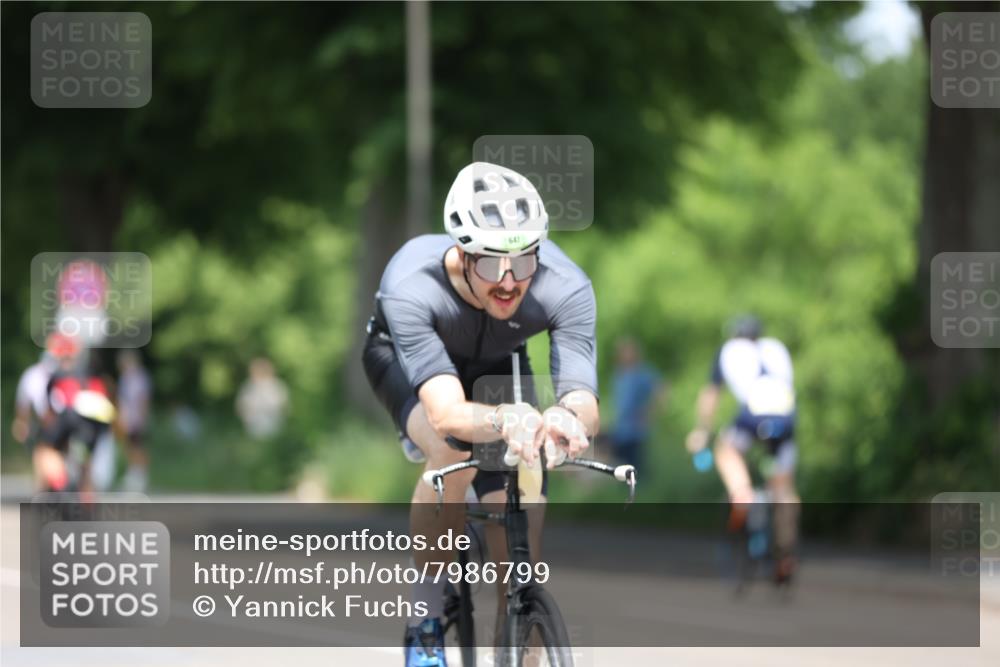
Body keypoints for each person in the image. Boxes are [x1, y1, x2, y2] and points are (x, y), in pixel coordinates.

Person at [362, 162, 598, 667]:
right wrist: (505, 420)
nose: (509, 282)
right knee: (453, 451)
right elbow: (447, 413)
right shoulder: (412, 285)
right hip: (405, 362)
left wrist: (568, 417)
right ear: (462, 253)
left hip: (498, 363)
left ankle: (513, 640)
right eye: (491, 265)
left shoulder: (566, 286)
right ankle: (426, 619)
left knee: (520, 536)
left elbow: (582, 395)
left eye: (524, 261)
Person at [685, 315, 800, 583]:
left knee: (725, 450)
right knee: (784, 489)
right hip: (785, 420)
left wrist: (701, 431)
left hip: (751, 419)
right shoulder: (776, 348)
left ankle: (742, 493)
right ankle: (786, 554)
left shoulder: (729, 349)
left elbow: (711, 395)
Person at [33, 335, 117, 494]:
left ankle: (61, 483)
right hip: (93, 428)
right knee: (85, 461)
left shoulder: (58, 374)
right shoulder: (95, 374)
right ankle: (86, 496)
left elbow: (50, 406)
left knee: (45, 449)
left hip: (69, 419)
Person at [609, 337, 665, 471]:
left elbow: (661, 390)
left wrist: (650, 411)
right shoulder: (619, 374)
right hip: (620, 429)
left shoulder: (643, 373)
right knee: (619, 465)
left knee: (636, 467)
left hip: (636, 429)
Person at [117, 350, 152, 492]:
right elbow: (122, 400)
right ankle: (133, 473)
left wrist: (142, 419)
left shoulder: (140, 377)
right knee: (129, 447)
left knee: (138, 447)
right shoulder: (124, 378)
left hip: (137, 419)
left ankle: (141, 475)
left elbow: (143, 399)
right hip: (127, 419)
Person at [235, 357, 288, 439]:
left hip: (274, 428)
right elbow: (240, 408)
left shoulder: (277, 386)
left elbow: (284, 408)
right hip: (253, 429)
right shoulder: (248, 386)